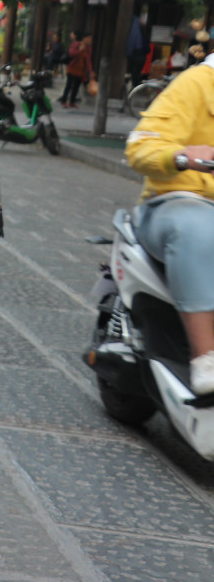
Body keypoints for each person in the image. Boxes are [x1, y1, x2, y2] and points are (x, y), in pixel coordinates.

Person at [124, 44, 214, 394]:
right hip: (177, 203)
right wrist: (181, 156)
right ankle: (205, 357)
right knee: (198, 230)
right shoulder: (195, 83)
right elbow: (141, 146)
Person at [61, 31, 91, 108]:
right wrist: (79, 50)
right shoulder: (76, 44)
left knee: (76, 87)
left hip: (80, 71)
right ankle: (64, 100)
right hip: (72, 68)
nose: (90, 40)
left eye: (90, 39)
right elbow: (71, 53)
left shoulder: (88, 48)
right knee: (69, 85)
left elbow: (88, 61)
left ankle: (72, 102)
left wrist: (91, 71)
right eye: (88, 38)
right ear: (84, 38)